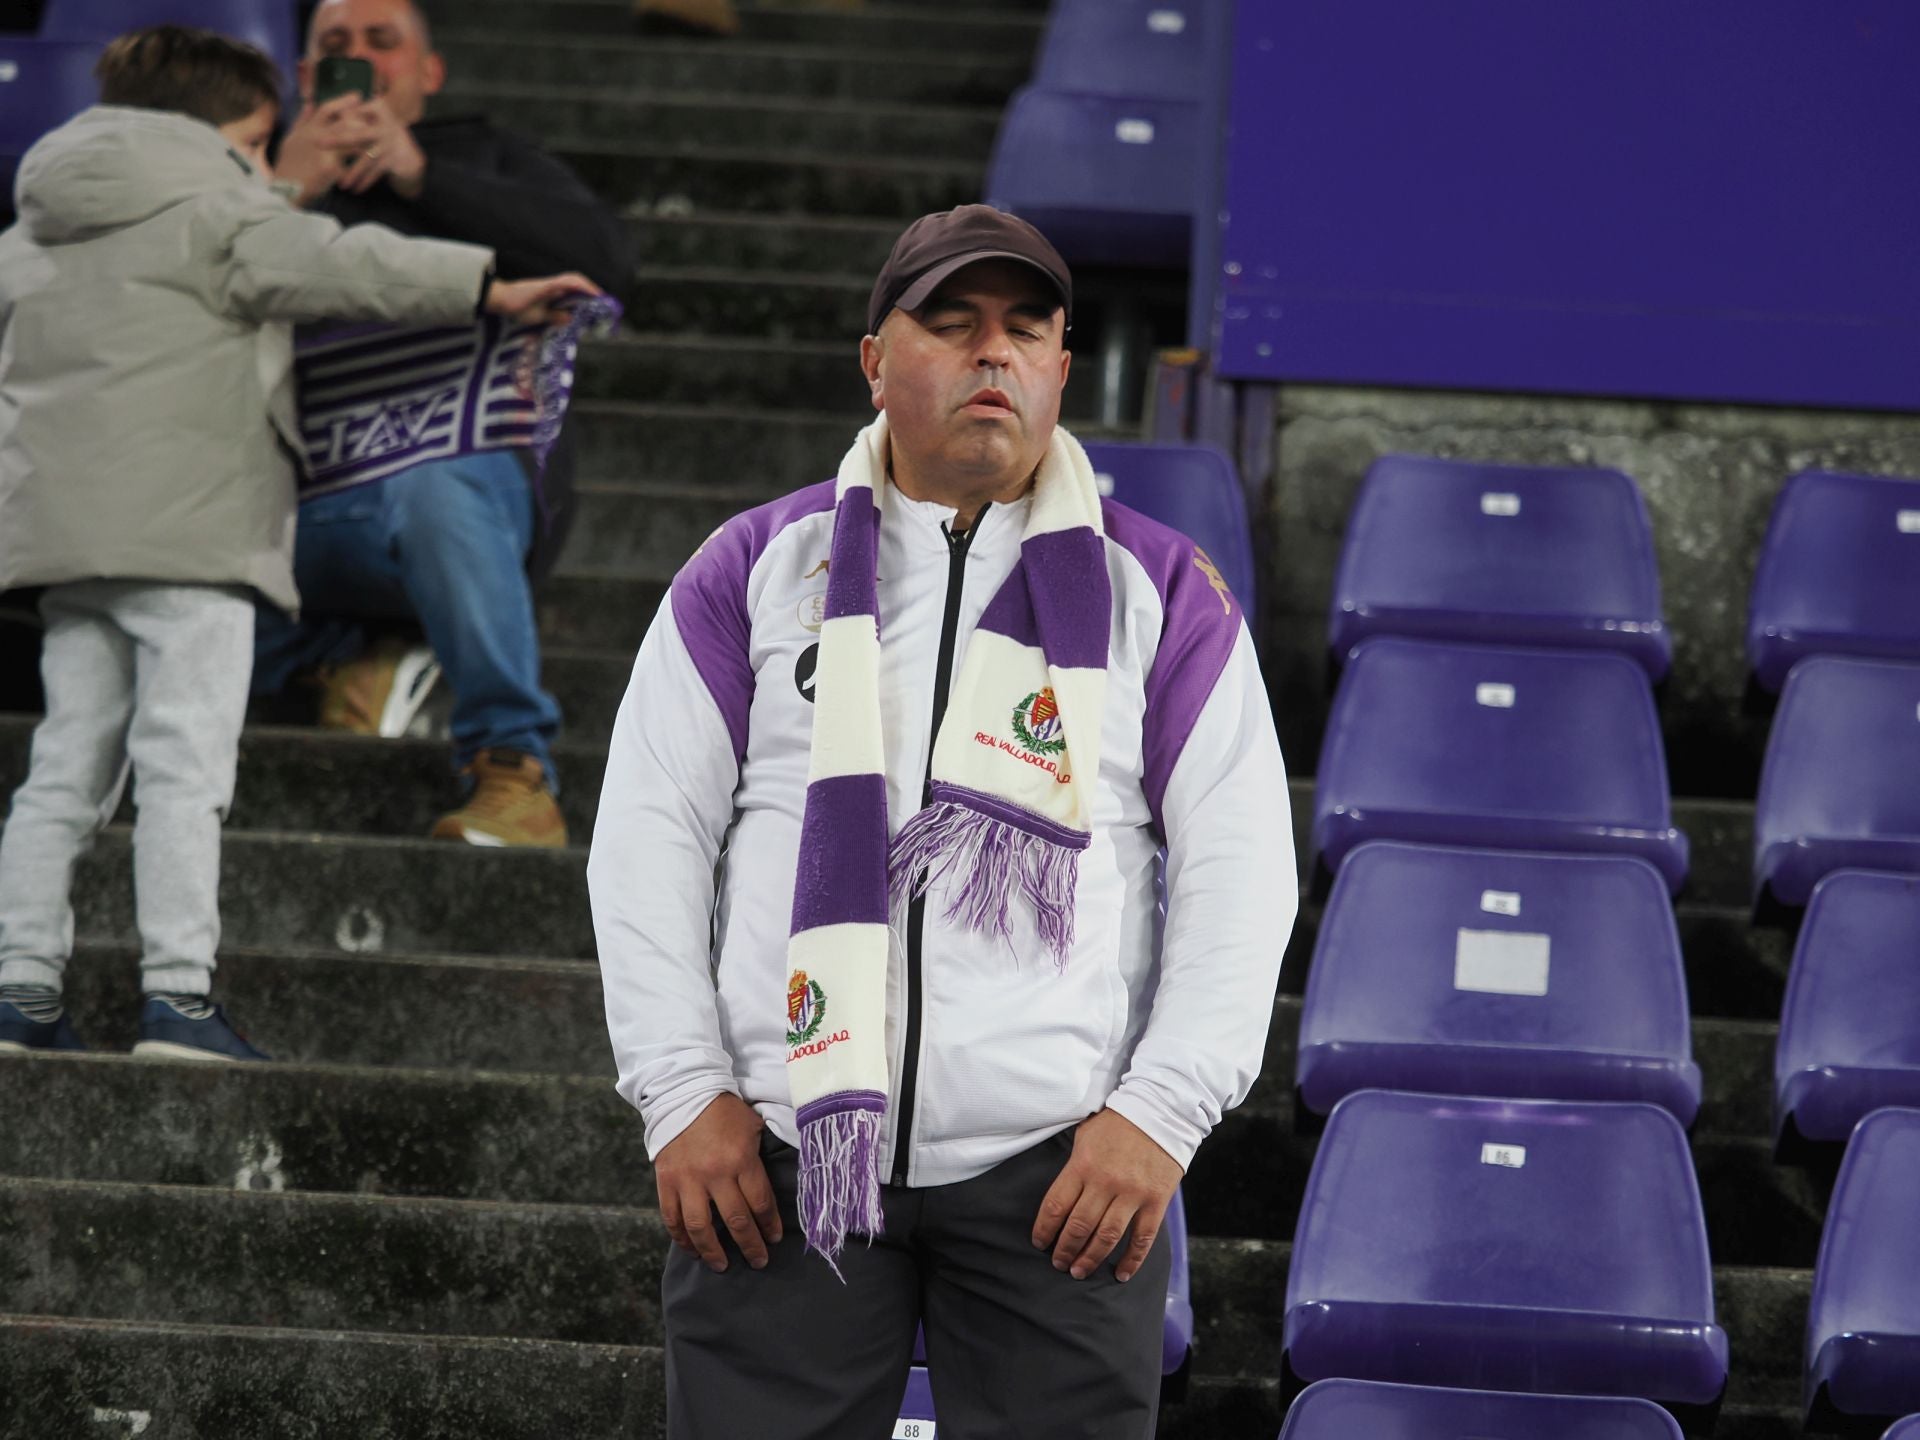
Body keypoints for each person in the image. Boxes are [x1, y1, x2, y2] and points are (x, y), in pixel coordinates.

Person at [589, 205, 1296, 1437]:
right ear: (875, 358)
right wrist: (681, 1091)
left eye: (1027, 330)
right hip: (778, 1152)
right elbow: (648, 839)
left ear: (1063, 369)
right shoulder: (757, 567)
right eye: (952, 324)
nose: (994, 355)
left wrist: (1159, 1115)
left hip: (1059, 1172)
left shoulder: (1161, 591)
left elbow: (1244, 874)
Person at [0, 26, 597, 1059]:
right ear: (230, 126)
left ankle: (20, 994)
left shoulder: (34, 224)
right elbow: (346, 262)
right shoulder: (228, 207)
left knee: (60, 774)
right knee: (183, 772)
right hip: (193, 548)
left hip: (64, 547)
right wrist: (489, 289)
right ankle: (177, 1000)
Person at [254, 0, 635, 848]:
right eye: (335, 48)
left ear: (428, 73)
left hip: (457, 489)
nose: (359, 58)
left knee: (437, 487)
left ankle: (513, 770)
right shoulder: (258, 169)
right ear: (303, 79)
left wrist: (422, 173)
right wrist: (277, 190)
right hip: (298, 498)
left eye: (381, 42)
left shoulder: (487, 155)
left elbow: (607, 262)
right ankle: (347, 664)